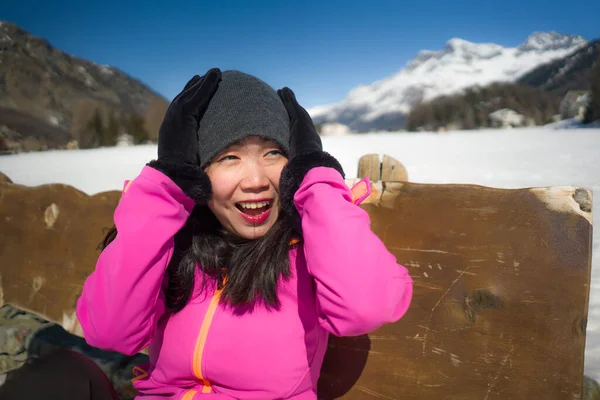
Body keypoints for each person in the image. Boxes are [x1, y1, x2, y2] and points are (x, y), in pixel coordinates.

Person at [0, 68, 413, 399]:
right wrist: (164, 190)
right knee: (61, 375)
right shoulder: (176, 242)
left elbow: (366, 307)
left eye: (273, 153)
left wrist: (316, 180)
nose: (256, 180)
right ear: (197, 170)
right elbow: (110, 330)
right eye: (229, 157)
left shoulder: (310, 243)